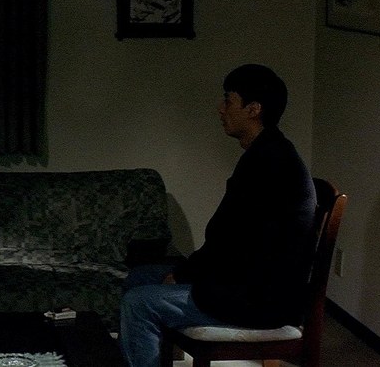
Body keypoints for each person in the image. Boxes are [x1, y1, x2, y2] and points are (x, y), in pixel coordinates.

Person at [119, 64, 317, 367]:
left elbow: (231, 243)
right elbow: (229, 238)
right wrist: (187, 273)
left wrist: (183, 275)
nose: (221, 109)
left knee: (139, 303)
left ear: (253, 109)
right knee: (138, 277)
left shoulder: (270, 162)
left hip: (258, 298)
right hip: (243, 282)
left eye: (228, 100)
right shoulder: (266, 152)